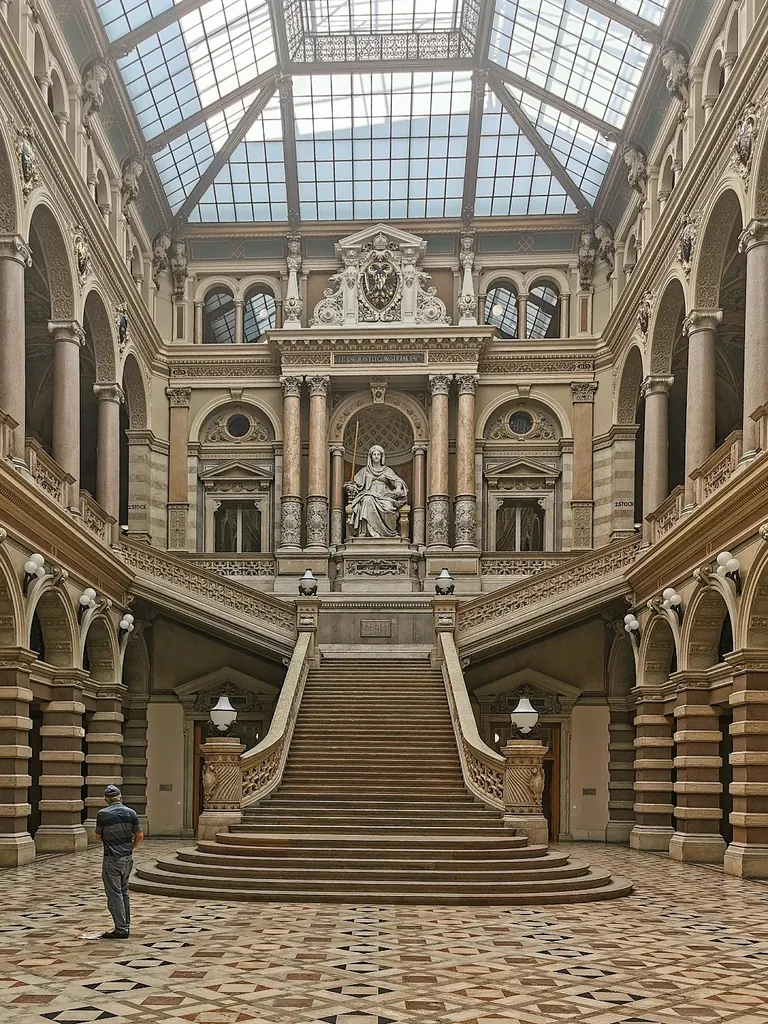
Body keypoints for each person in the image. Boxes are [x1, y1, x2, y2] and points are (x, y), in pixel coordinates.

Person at [95, 785, 143, 939]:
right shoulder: (131, 813)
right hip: (127, 858)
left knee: (114, 894)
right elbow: (140, 835)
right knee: (124, 892)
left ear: (107, 799)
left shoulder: (102, 814)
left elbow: (98, 837)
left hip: (111, 859)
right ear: (120, 797)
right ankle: (126, 924)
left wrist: (111, 845)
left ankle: (121, 929)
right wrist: (129, 848)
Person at [346, 444, 408, 539]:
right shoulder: (365, 471)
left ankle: (390, 532)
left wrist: (398, 488)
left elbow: (397, 481)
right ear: (370, 457)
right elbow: (355, 483)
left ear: (381, 456)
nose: (376, 456)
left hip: (385, 496)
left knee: (388, 508)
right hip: (368, 494)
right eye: (374, 454)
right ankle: (366, 532)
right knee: (367, 500)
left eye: (378, 454)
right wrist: (350, 486)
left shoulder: (387, 470)